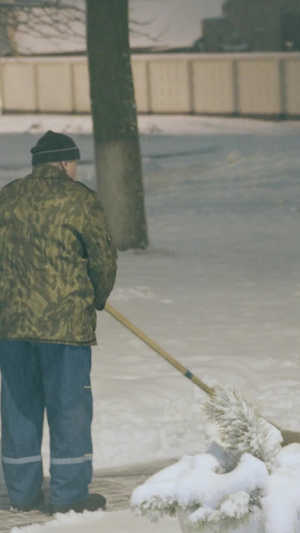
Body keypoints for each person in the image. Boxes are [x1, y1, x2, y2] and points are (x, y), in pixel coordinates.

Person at [0, 131, 117, 515]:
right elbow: (102, 258)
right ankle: (68, 496)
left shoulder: (8, 196)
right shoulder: (79, 198)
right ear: (65, 163)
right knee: (69, 407)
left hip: (12, 326)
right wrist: (97, 297)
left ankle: (21, 494)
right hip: (65, 327)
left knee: (19, 409)